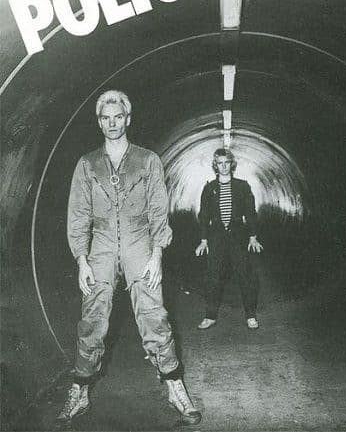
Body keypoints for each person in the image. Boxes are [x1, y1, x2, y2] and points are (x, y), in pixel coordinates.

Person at [57, 90, 201, 426]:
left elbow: (158, 210)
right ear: (99, 122)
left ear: (128, 119)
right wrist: (81, 259)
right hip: (101, 244)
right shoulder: (87, 164)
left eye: (118, 117)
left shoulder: (148, 160)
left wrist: (157, 254)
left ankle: (175, 387)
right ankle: (80, 391)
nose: (112, 123)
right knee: (92, 318)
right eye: (105, 118)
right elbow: (78, 215)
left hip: (140, 242)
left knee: (154, 316)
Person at [195, 148, 263, 329]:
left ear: (231, 164)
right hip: (217, 235)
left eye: (227, 163)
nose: (224, 166)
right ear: (215, 166)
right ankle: (210, 316)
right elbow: (204, 215)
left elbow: (250, 212)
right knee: (213, 276)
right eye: (220, 163)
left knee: (245, 276)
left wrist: (253, 236)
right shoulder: (209, 188)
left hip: (238, 235)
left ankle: (250, 316)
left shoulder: (242, 186)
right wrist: (204, 239)